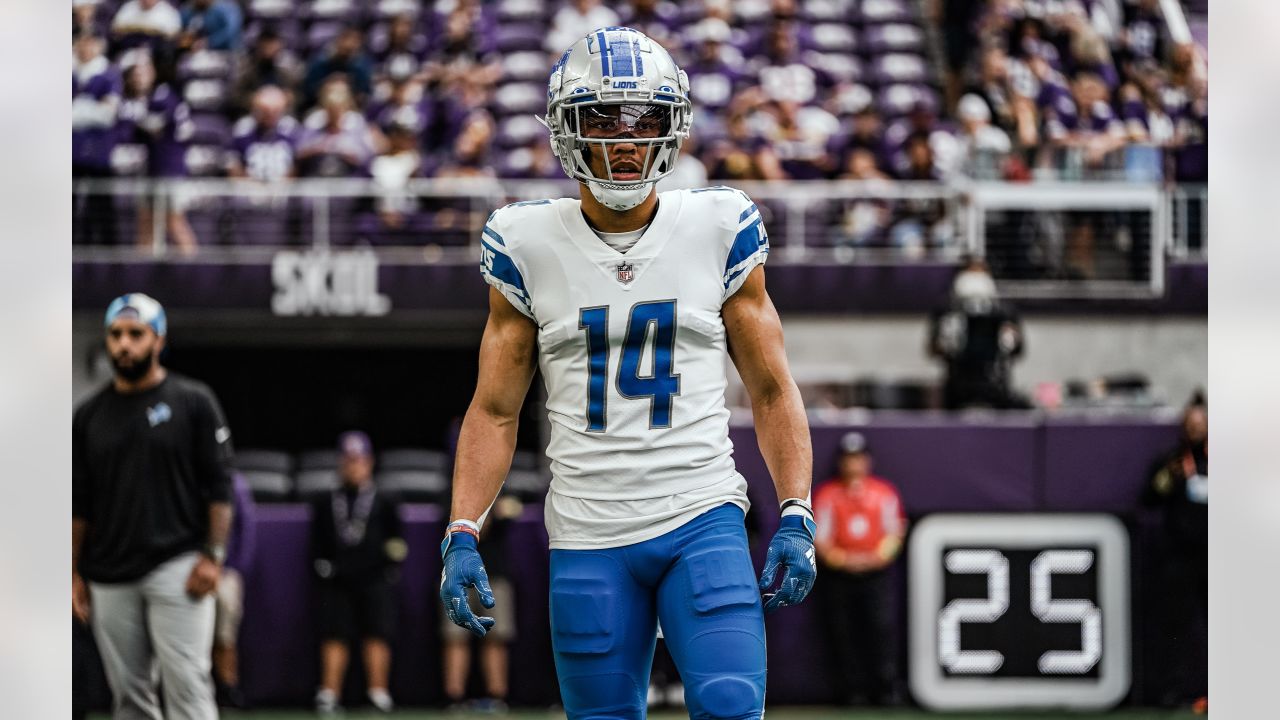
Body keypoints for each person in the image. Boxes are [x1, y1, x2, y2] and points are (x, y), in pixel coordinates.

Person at [439, 27, 817, 720]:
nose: (622, 140)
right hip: (587, 530)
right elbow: (494, 410)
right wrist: (464, 526)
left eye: (643, 119)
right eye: (601, 118)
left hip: (701, 513)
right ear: (563, 129)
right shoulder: (524, 242)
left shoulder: (719, 223)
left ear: (672, 128)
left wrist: (796, 508)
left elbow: (770, 388)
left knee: (732, 707)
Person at [72, 292, 235, 720]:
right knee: (128, 696)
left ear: (158, 339)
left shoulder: (194, 401)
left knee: (188, 687)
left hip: (178, 568)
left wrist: (212, 558)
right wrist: (72, 572)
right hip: (110, 576)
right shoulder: (88, 416)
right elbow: (79, 504)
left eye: (135, 334)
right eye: (116, 335)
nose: (124, 344)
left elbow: (220, 488)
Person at [310, 431, 406, 715]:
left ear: (370, 462)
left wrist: (390, 567)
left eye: (359, 460)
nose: (354, 466)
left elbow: (397, 539)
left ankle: (378, 691)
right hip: (337, 579)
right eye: (349, 460)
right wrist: (322, 567)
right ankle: (329, 692)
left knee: (377, 633)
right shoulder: (326, 500)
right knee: (334, 634)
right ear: (341, 462)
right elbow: (316, 543)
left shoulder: (385, 499)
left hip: (375, 578)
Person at [812, 432, 906, 706]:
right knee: (843, 634)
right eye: (849, 458)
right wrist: (843, 560)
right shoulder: (828, 494)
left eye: (858, 458)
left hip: (875, 576)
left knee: (880, 630)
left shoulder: (883, 492)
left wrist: (875, 558)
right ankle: (851, 691)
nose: (854, 464)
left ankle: (885, 688)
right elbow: (822, 538)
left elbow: (895, 532)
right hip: (840, 577)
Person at [1144, 393, 1208, 711]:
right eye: (1192, 423)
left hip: (1217, 556)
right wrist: (1167, 479)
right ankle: (1173, 691)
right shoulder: (1173, 461)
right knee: (1175, 628)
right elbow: (1149, 498)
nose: (1197, 429)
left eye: (1202, 423)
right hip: (1180, 556)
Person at [440, 493, 521, 712]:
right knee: (456, 637)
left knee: (496, 638)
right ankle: (454, 696)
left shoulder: (502, 491)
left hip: (494, 573)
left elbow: (506, 516)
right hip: (458, 574)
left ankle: (497, 695)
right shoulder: (455, 492)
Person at [928, 259, 1028, 409]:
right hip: (957, 385)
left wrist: (1010, 339)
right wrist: (945, 339)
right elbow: (932, 349)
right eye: (971, 274)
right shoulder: (946, 310)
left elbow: (1018, 350)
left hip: (996, 384)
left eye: (980, 274)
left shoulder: (1005, 312)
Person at [213, 472, 256, 709]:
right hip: (185, 570)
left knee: (225, 633)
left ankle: (228, 687)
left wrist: (235, 568)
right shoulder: (184, 474)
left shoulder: (235, 484)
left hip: (224, 570)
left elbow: (245, 530)